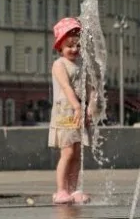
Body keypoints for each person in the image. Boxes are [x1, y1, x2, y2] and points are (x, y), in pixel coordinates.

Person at [48, 17, 94, 205]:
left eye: (78, 46)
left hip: (79, 113)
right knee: (67, 152)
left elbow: (91, 88)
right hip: (66, 113)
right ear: (60, 46)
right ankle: (61, 190)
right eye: (69, 46)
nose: (74, 49)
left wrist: (90, 107)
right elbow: (66, 87)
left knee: (77, 153)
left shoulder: (82, 65)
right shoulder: (59, 65)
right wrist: (77, 106)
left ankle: (74, 190)